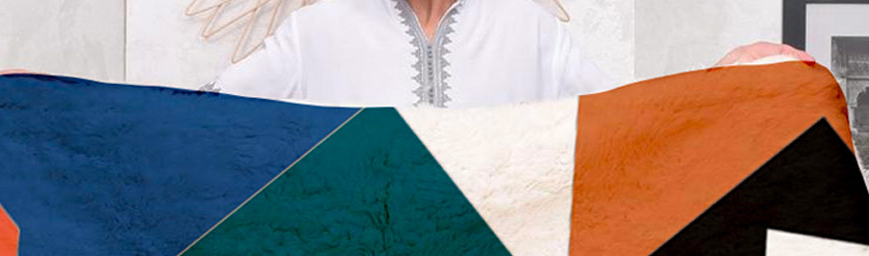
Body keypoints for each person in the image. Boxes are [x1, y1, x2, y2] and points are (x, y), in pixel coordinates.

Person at [209, 0, 811, 108]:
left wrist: (724, 81)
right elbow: (203, 117)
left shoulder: (528, 27)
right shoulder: (318, 28)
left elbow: (627, 117)